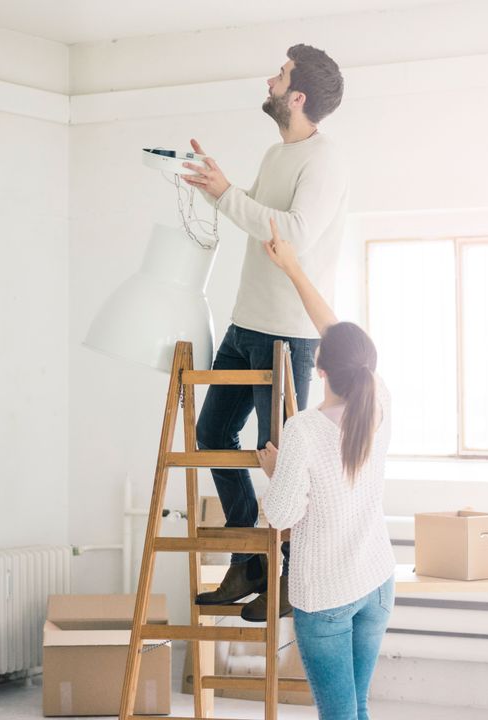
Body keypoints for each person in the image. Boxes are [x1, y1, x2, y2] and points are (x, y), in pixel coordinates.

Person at [185, 44, 349, 622]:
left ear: (296, 95)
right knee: (212, 437)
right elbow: (257, 212)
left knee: (281, 458)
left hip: (286, 332)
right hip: (244, 321)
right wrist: (221, 189)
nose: (271, 80)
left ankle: (287, 575)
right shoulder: (277, 153)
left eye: (280, 75)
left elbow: (294, 233)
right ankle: (250, 560)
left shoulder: (323, 161)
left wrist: (229, 195)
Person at [255, 217, 396, 720]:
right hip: (376, 582)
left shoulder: (304, 431)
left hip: (326, 594)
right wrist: (294, 270)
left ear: (317, 368)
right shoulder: (380, 401)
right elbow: (336, 334)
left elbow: (279, 517)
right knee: (355, 706)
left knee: (340, 713)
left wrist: (275, 470)